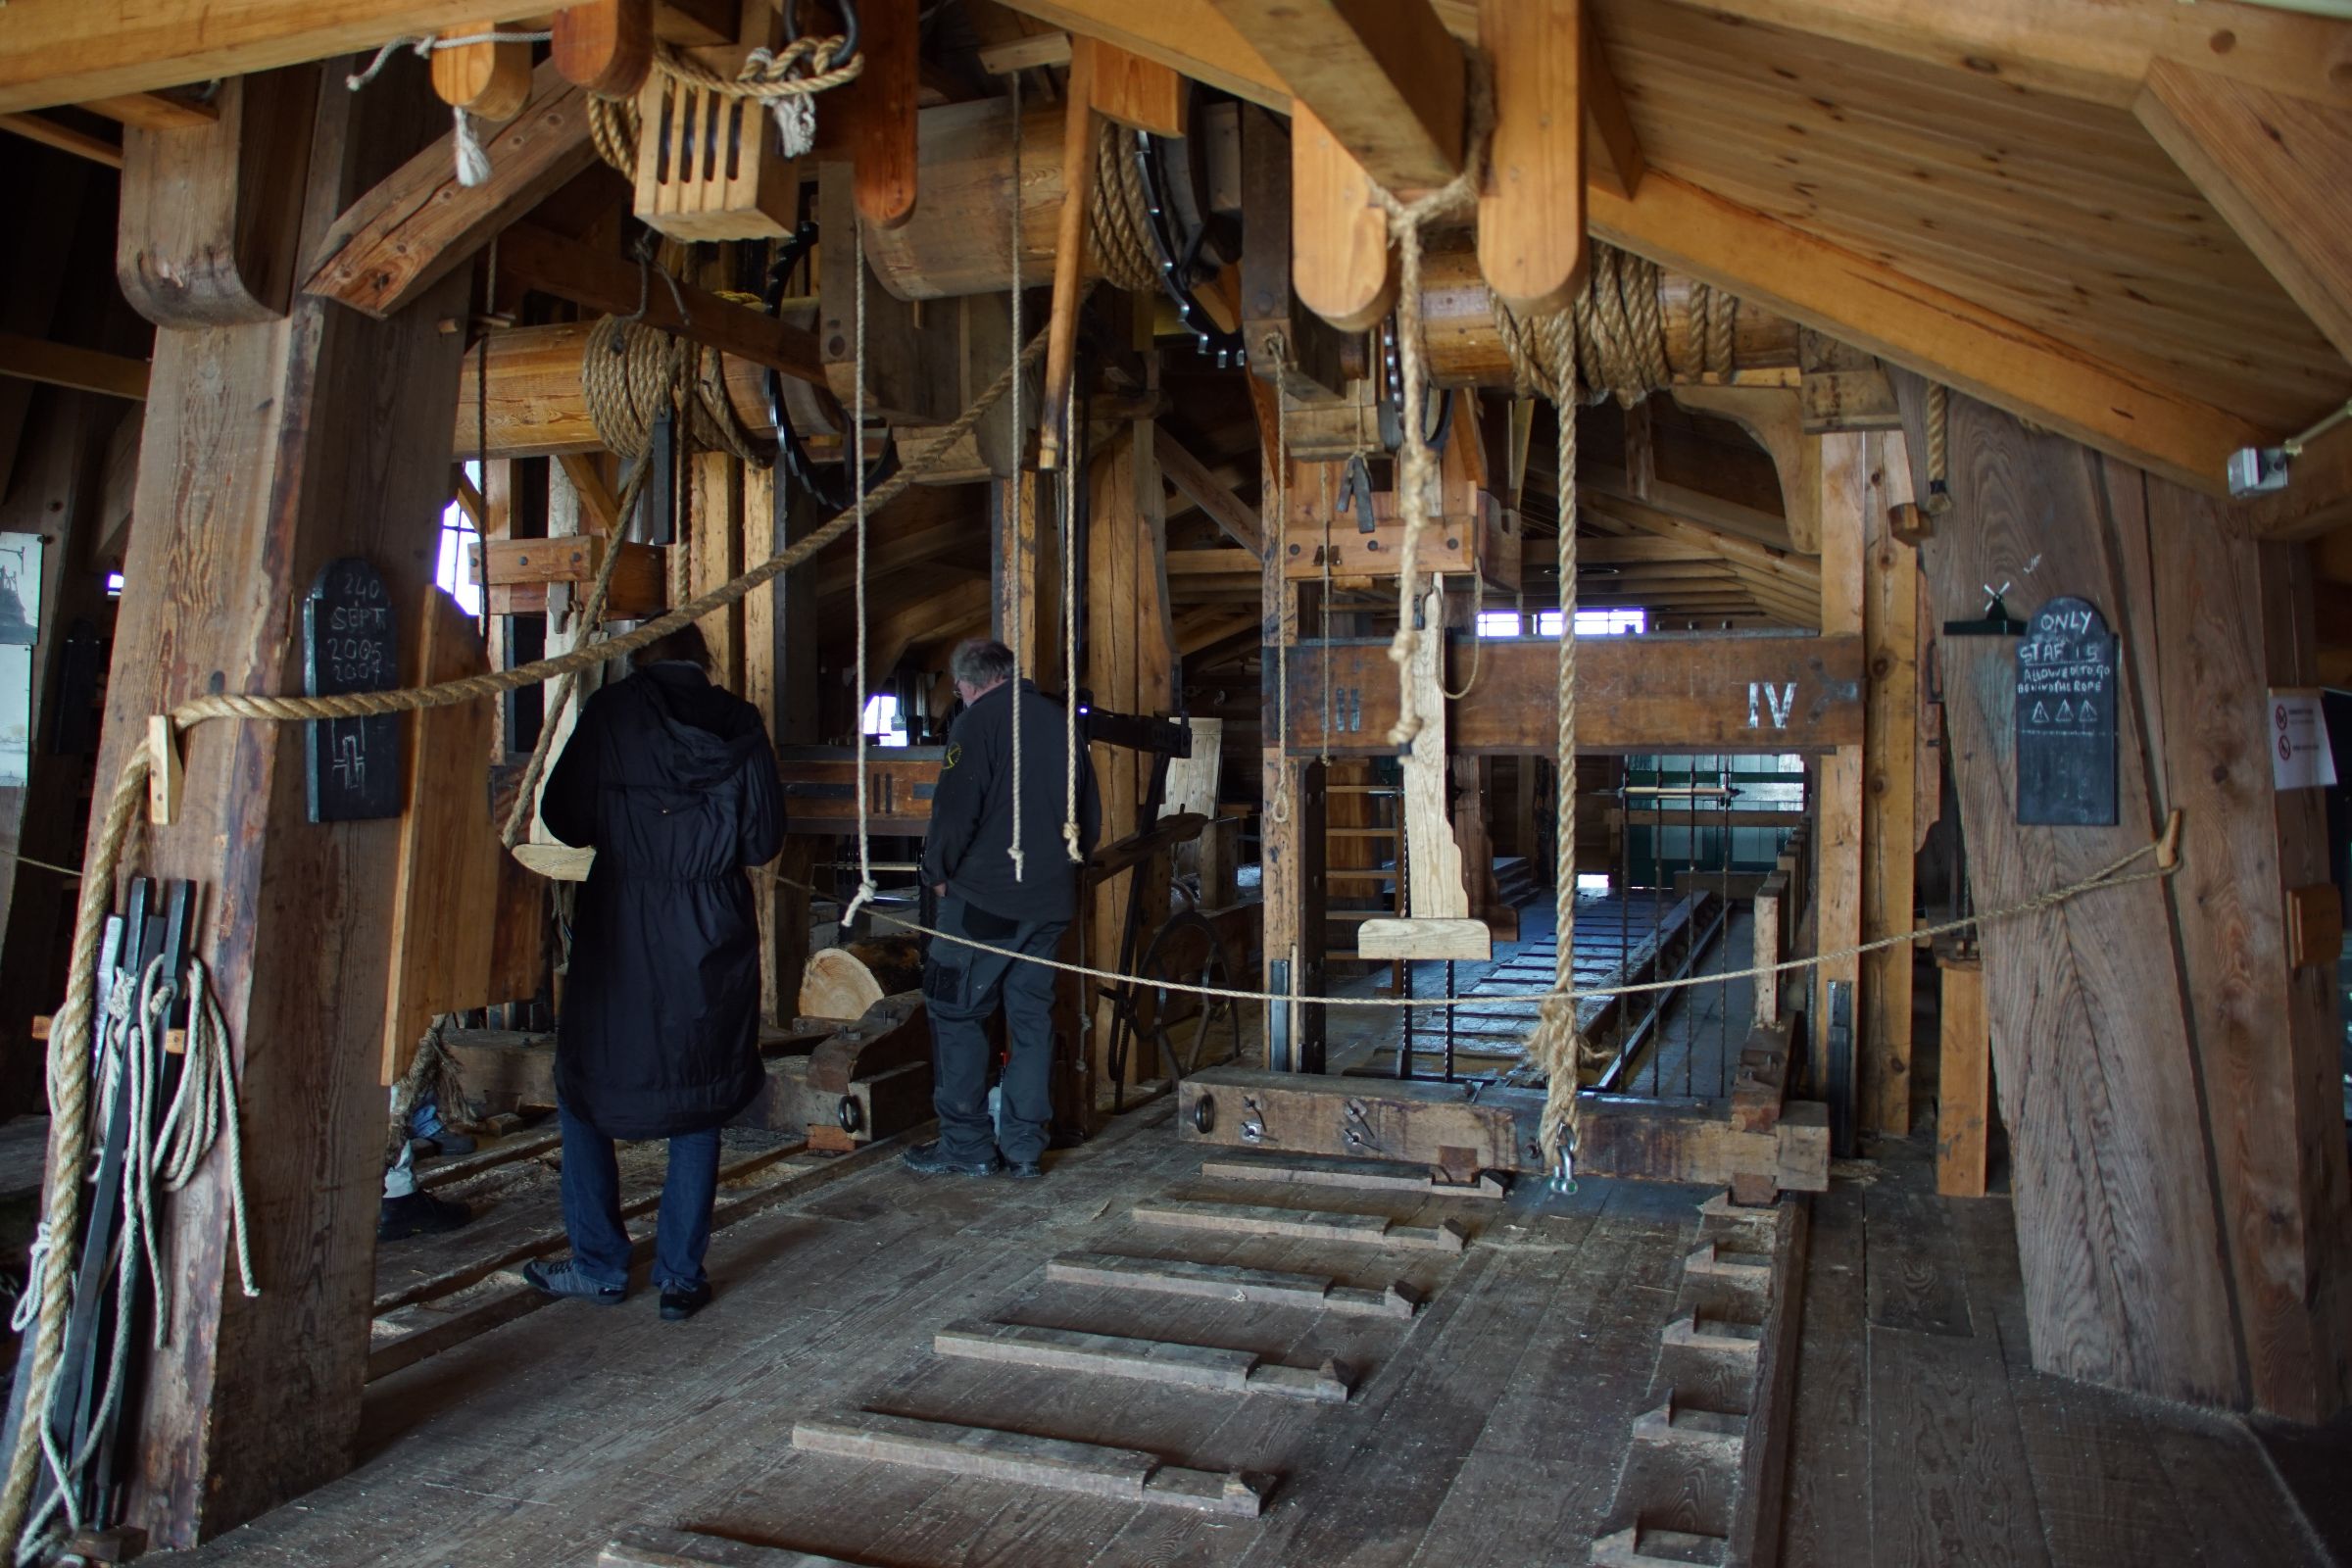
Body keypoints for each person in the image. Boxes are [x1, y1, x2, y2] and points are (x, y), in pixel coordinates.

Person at [521, 623, 784, 1320]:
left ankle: (600, 1264)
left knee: (584, 1088)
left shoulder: (612, 712)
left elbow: (565, 818)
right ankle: (679, 1277)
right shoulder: (739, 722)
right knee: (698, 1091)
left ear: (643, 660)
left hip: (624, 923)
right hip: (710, 928)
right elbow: (762, 840)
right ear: (706, 661)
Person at [904, 638, 1101, 1180]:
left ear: (968, 683)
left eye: (960, 690)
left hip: (987, 899)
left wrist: (936, 873)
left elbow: (954, 809)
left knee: (956, 1010)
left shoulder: (976, 723)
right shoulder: (1062, 723)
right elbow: (1089, 814)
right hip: (1050, 901)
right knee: (1030, 1019)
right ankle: (1022, 1148)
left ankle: (965, 1145)